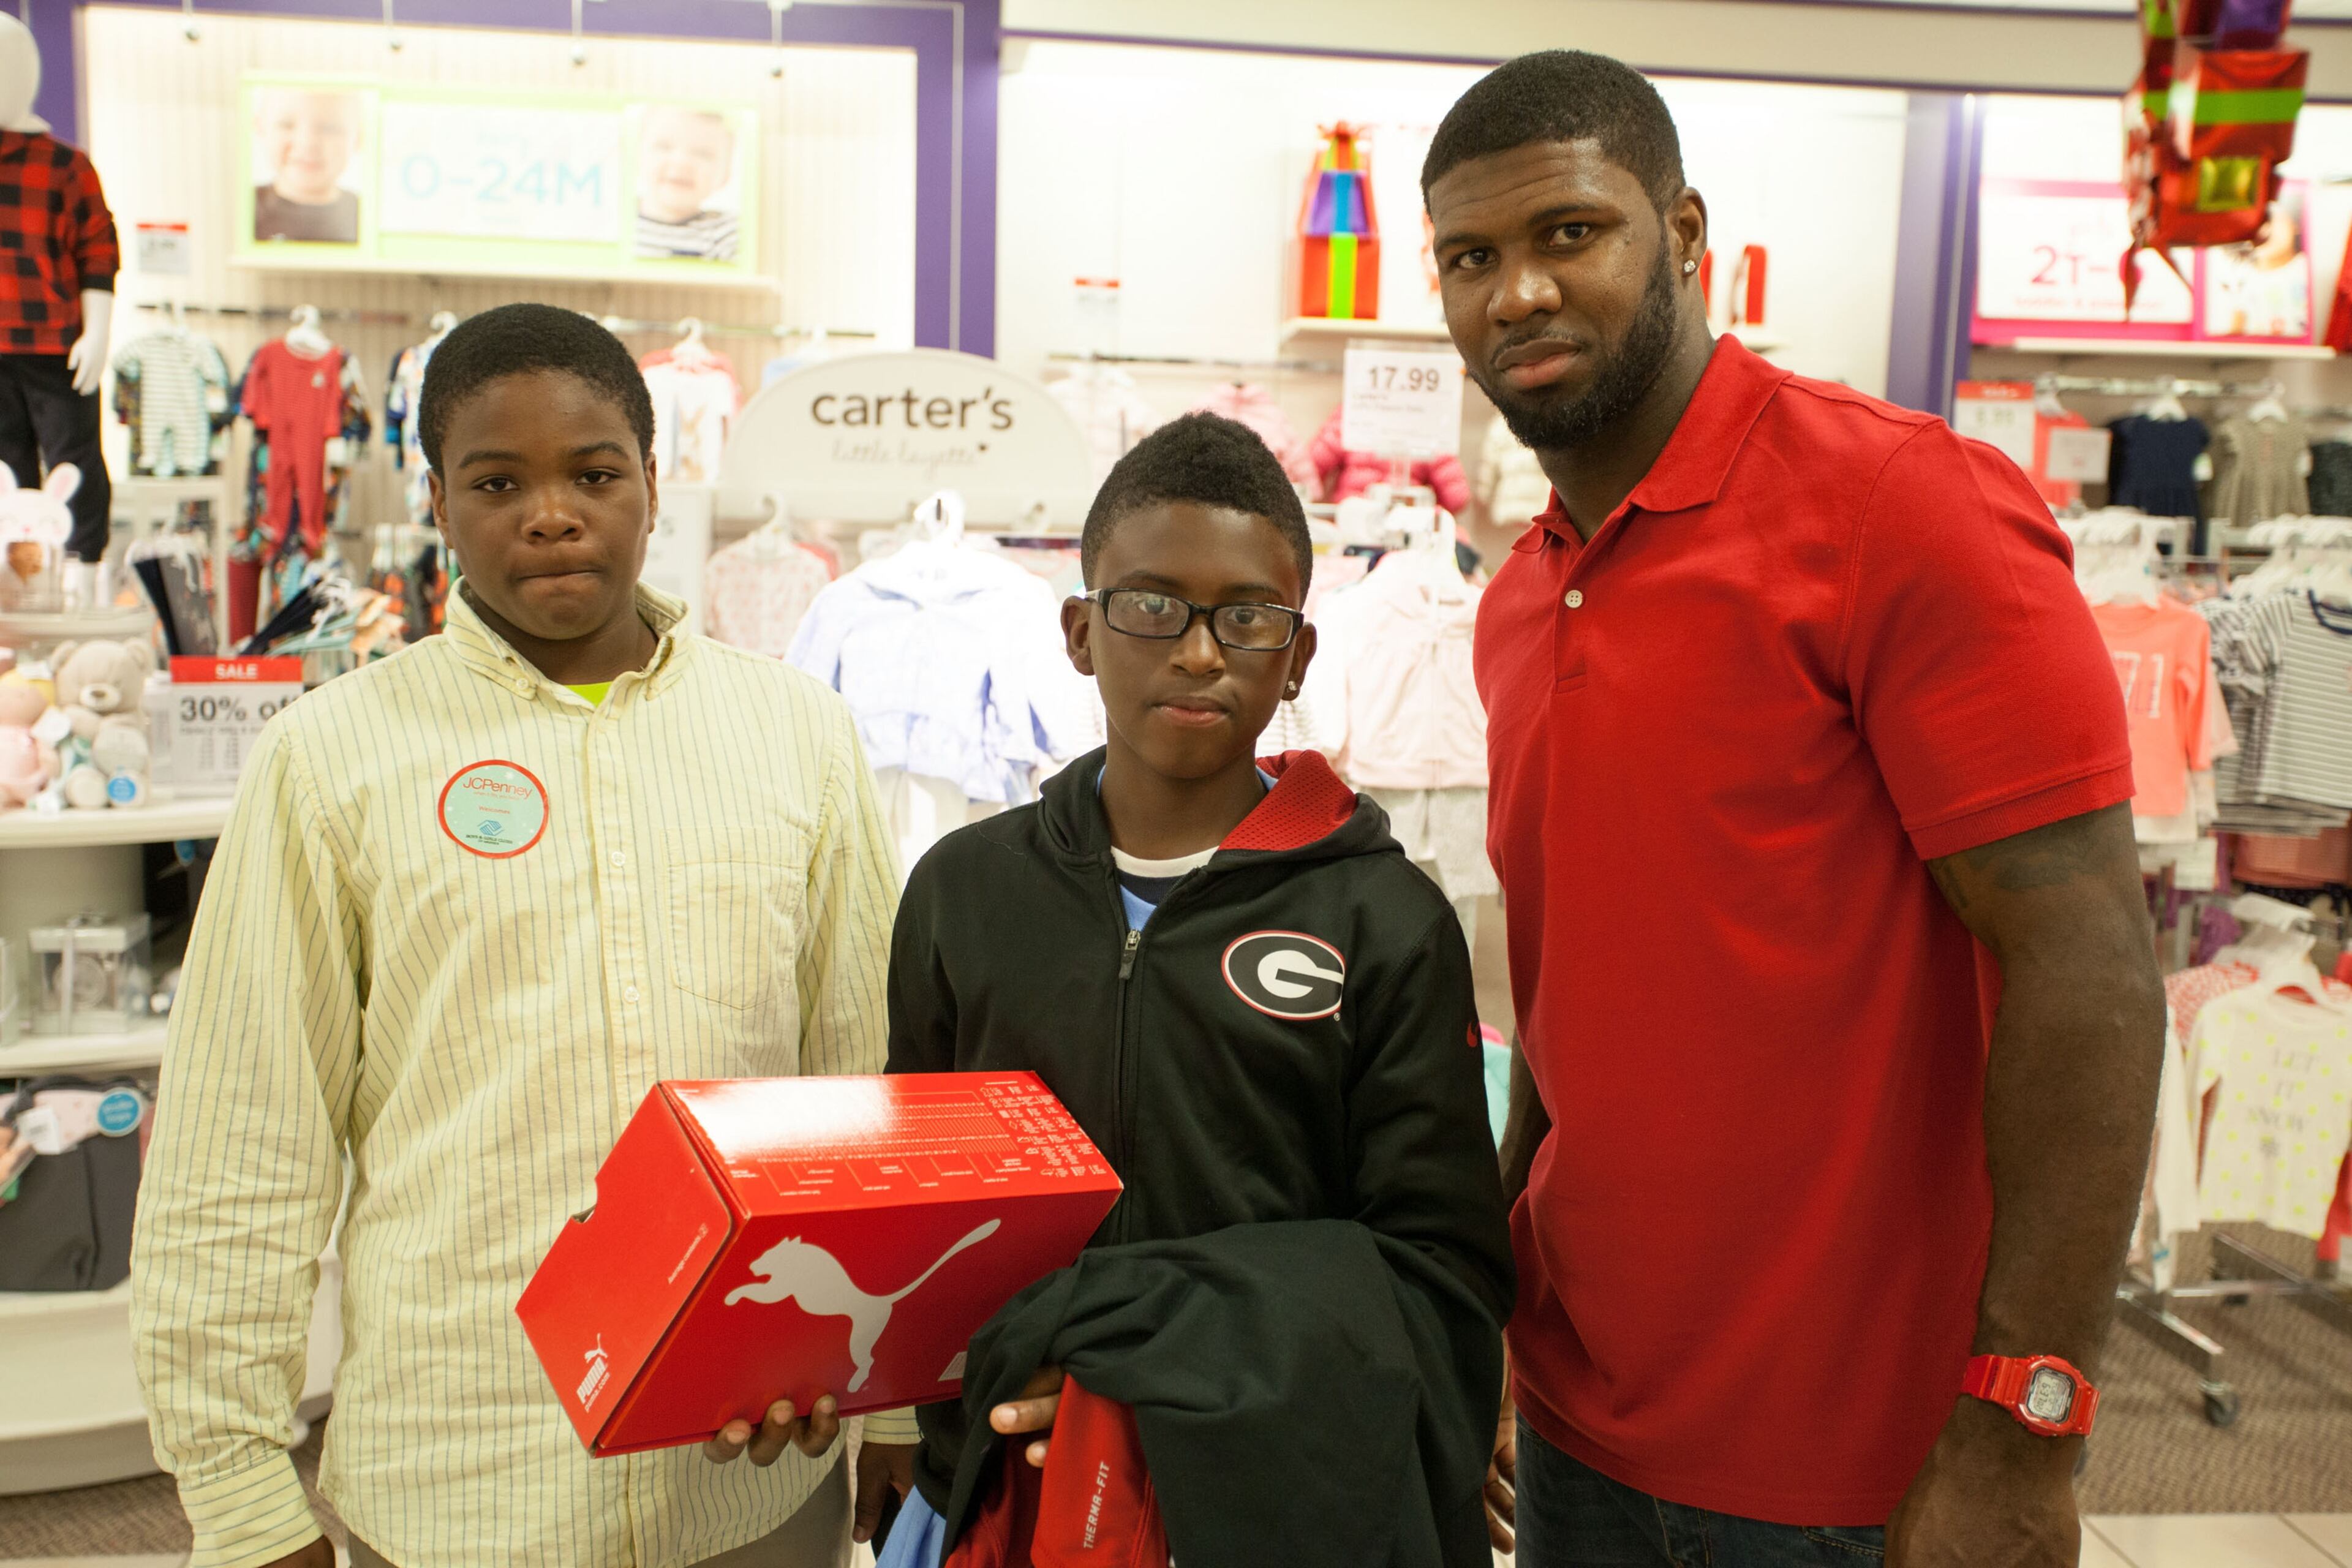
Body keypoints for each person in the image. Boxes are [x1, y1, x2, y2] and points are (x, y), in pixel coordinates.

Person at [1425, 51, 2166, 1568]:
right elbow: (1568, 1013)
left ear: (1685, 234)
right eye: (1468, 256)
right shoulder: (1517, 598)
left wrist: (2025, 1424)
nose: (1517, 293)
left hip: (1854, 1466)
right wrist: (1489, 1307)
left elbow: (2088, 966)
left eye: (1570, 231)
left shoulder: (1901, 510)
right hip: (1581, 1419)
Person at [130, 303, 914, 1568]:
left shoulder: (797, 734)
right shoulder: (330, 760)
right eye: (499, 480)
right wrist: (239, 1494)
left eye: (594, 473)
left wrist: (887, 1391)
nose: (552, 512)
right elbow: (242, 1148)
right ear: (440, 501)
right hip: (458, 1479)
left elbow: (862, 1084)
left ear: (654, 484)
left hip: (749, 1468)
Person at [884, 413, 1515, 1559]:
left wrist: (1125, 1340)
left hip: (1274, 1504)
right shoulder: (962, 892)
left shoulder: (1384, 920)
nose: (1198, 650)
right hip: (1004, 1491)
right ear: (1080, 631)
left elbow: (1439, 1277)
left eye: (1247, 617)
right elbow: (924, 1219)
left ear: (1300, 656)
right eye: (1151, 605)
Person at [252, 89, 361, 244]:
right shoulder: (244, 209)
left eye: (329, 128)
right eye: (286, 125)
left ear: (359, 138)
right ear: (260, 127)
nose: (308, 143)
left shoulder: (367, 216)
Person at [636, 105, 741, 262]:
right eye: (664, 147)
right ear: (635, 156)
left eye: (702, 154)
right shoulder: (610, 222)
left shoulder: (725, 234)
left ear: (726, 174)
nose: (681, 162)